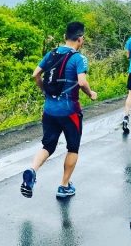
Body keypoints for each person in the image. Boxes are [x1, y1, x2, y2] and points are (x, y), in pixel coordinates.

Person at [21, 22, 97, 199]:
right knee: (73, 148)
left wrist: (45, 91)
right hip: (70, 112)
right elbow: (82, 82)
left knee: (48, 145)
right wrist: (91, 94)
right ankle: (63, 186)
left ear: (65, 37)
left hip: (49, 110)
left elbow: (35, 75)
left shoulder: (51, 53)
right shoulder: (79, 58)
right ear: (80, 39)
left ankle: (32, 170)